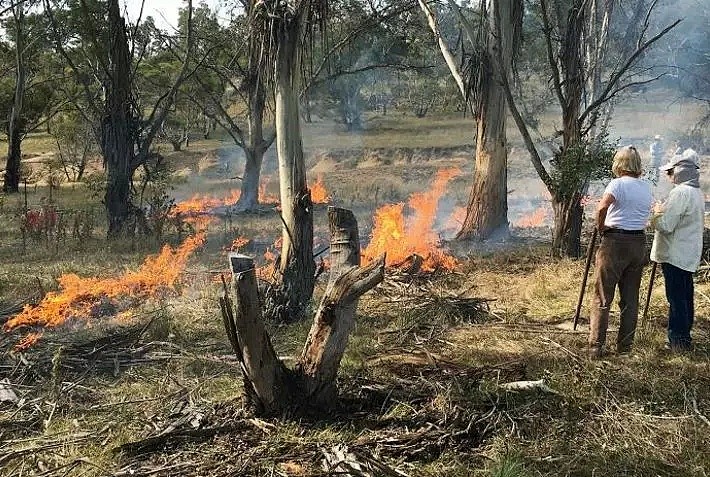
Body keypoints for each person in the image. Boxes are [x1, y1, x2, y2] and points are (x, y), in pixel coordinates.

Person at [589, 146, 653, 358]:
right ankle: (625, 348)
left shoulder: (617, 184)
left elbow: (601, 208)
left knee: (602, 295)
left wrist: (601, 228)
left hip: (615, 242)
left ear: (619, 164)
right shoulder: (645, 188)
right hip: (638, 243)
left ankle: (596, 347)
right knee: (630, 297)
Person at [650, 149, 704, 351]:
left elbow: (666, 225)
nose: (668, 175)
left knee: (676, 298)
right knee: (684, 296)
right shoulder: (695, 192)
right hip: (687, 253)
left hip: (675, 254)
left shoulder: (680, 192)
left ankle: (678, 341)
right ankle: (683, 337)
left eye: (671, 171)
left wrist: (656, 214)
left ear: (680, 172)